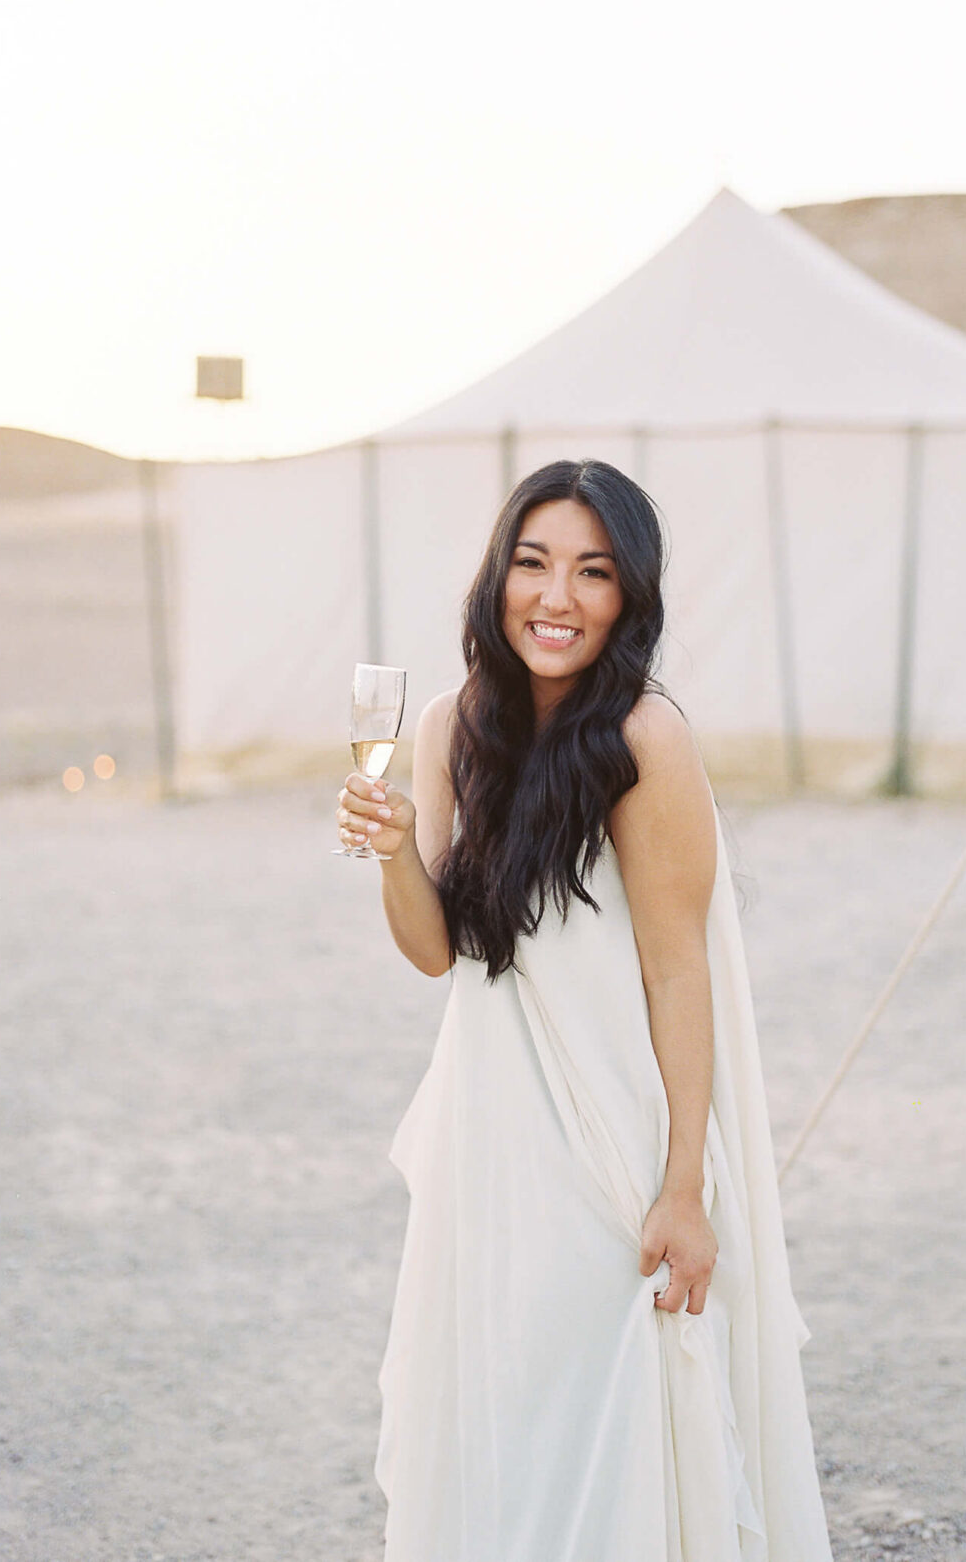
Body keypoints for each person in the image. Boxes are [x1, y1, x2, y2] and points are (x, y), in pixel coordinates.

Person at [337, 459, 831, 1561]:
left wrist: (684, 1185)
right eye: (534, 563)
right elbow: (436, 952)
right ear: (496, 578)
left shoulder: (646, 739)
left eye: (592, 573)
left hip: (612, 1131)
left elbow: (676, 971)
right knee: (500, 1399)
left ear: (629, 597)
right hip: (491, 1128)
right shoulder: (448, 721)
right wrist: (388, 852)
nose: (555, 598)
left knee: (604, 1401)